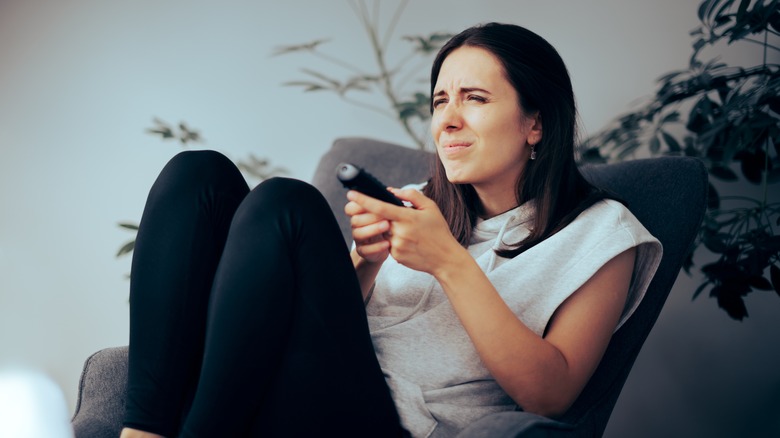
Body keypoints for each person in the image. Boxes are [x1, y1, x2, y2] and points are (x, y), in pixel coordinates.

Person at [120, 22, 661, 438]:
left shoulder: (603, 235)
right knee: (200, 174)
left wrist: (449, 262)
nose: (447, 119)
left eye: (474, 98)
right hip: (301, 386)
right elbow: (332, 331)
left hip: (390, 424)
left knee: (286, 203)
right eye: (440, 101)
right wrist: (368, 260)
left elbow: (552, 396)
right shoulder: (419, 205)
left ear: (535, 122)